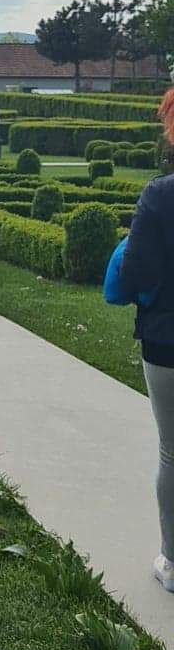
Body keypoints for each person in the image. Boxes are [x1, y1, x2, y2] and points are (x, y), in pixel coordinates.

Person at [111, 87, 174, 592]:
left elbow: (133, 276)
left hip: (167, 341)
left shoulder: (160, 195)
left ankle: (173, 561)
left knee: (173, 452)